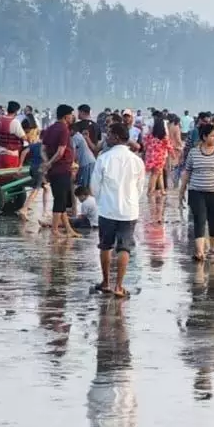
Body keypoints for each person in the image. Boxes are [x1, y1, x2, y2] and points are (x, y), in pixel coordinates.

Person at [90, 122, 145, 299]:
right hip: (129, 210)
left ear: (116, 137)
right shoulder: (136, 160)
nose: (106, 137)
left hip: (107, 209)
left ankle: (106, 282)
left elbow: (94, 187)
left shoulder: (104, 158)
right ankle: (119, 286)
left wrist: (101, 201)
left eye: (109, 134)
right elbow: (140, 188)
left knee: (105, 246)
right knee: (124, 248)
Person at [180, 123, 214, 261]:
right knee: (199, 219)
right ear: (204, 137)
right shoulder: (194, 152)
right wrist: (182, 190)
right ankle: (200, 251)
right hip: (196, 191)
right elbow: (187, 171)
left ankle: (213, 248)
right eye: (213, 136)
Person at [42, 104, 80, 238]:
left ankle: (69, 229)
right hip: (61, 168)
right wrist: (50, 163)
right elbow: (60, 151)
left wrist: (47, 162)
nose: (72, 117)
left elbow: (43, 149)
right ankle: (55, 230)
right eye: (71, 114)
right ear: (65, 116)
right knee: (60, 201)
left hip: (54, 170)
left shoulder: (50, 128)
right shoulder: (64, 129)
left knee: (61, 200)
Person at [17, 127, 46, 220]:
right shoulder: (45, 146)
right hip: (40, 169)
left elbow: (24, 152)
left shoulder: (35, 145)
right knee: (36, 190)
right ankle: (24, 209)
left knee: (46, 187)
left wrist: (20, 165)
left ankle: (45, 211)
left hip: (32, 168)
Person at [0, 101, 26, 169]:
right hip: (12, 155)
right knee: (11, 176)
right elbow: (24, 137)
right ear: (16, 112)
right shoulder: (15, 122)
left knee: (1, 175)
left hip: (0, 154)